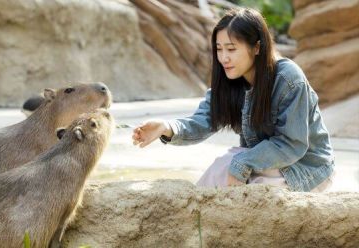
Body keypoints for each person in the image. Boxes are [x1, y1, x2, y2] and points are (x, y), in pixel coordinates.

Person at [132, 7, 335, 192]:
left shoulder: (288, 79)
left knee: (249, 187)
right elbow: (203, 121)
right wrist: (166, 127)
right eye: (219, 49)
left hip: (306, 168)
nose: (223, 58)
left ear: (256, 48)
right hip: (263, 162)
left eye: (231, 49)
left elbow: (292, 144)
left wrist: (242, 163)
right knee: (219, 171)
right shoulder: (231, 80)